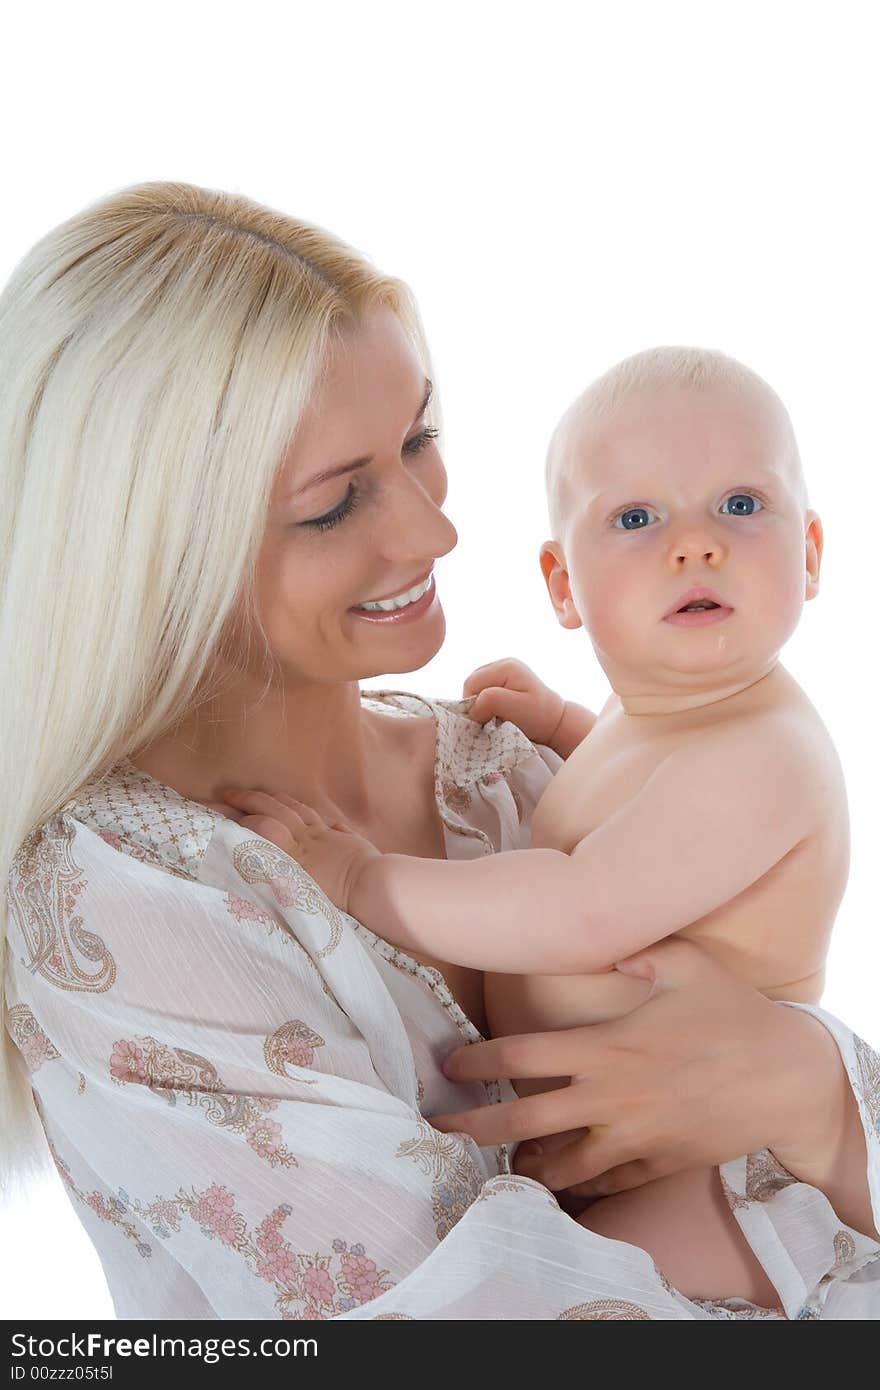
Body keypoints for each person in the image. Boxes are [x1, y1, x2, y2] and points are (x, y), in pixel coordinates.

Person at [0, 182, 877, 1321]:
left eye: (420, 438)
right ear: (156, 552)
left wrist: (818, 1093)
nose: (434, 530)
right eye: (333, 504)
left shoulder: (507, 769)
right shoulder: (123, 900)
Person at [239, 348, 858, 1307]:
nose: (696, 545)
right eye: (637, 518)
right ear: (564, 585)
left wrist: (362, 878)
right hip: (643, 1139)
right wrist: (566, 724)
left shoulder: (767, 754)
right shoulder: (668, 716)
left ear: (811, 554)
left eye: (741, 505)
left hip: (711, 1174)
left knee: (605, 1298)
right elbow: (634, 793)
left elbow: (583, 910)